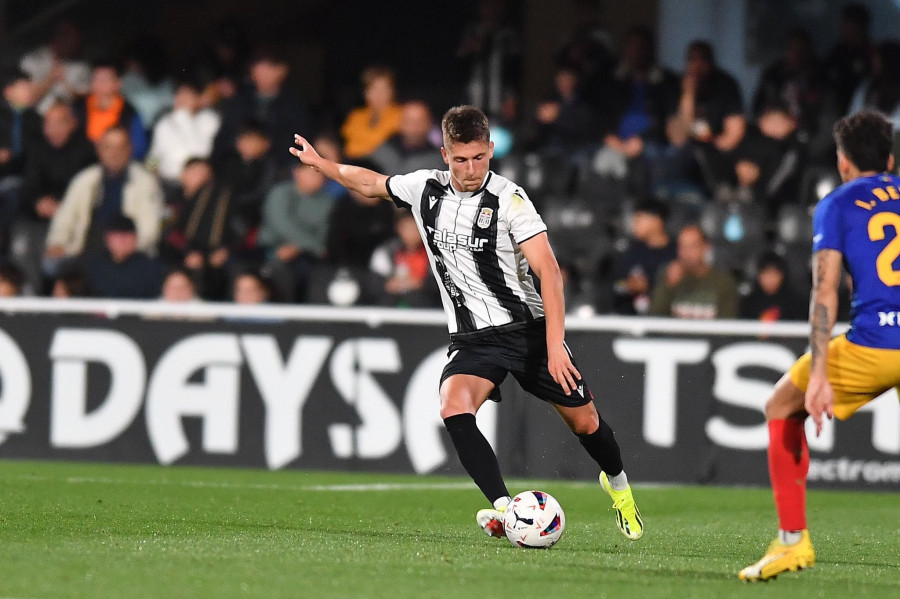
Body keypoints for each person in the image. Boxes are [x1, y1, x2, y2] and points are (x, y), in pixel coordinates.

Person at [290, 105, 643, 542]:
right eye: (461, 159)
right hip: (473, 338)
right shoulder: (424, 189)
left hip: (528, 330)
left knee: (586, 423)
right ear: (444, 154)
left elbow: (549, 272)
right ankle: (504, 510)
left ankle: (620, 489)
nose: (471, 168)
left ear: (491, 150)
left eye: (479, 158)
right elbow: (370, 182)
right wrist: (322, 164)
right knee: (453, 406)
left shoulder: (511, 200)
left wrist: (555, 345)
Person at [739, 111, 900, 580]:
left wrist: (822, 375)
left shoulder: (837, 203)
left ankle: (792, 543)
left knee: (781, 406)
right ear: (890, 158)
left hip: (872, 346)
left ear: (843, 161)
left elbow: (825, 290)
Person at [44, 126, 162, 272]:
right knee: (50, 265)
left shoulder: (145, 182)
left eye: (120, 147)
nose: (114, 153)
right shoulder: (84, 180)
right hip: (85, 251)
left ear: (129, 149)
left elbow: (150, 229)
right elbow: (64, 218)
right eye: (108, 147)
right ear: (99, 150)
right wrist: (58, 243)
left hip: (130, 253)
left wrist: (126, 248)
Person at [649, 224, 738, 319]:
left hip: (708, 333)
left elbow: (728, 324)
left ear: (705, 247)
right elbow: (655, 318)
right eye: (682, 247)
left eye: (693, 246)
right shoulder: (668, 275)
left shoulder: (723, 282)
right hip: (674, 334)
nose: (686, 252)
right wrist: (668, 286)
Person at [147, 79, 221, 185]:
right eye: (179, 94)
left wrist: (183, 117)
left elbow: (200, 153)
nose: (182, 99)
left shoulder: (209, 120)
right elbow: (154, 155)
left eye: (187, 95)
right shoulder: (164, 123)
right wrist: (149, 176)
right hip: (168, 183)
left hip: (198, 183)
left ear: (198, 99)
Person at [609, 199, 676, 315]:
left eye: (639, 218)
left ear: (656, 220)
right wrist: (629, 285)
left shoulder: (676, 252)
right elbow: (616, 284)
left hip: (667, 318)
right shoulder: (631, 251)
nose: (634, 224)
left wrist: (650, 285)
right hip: (631, 318)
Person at [72, 60, 148, 159]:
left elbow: (139, 149)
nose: (100, 84)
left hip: (118, 163)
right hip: (84, 162)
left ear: (117, 83)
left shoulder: (129, 112)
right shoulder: (78, 107)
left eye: (105, 80)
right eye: (96, 79)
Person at [84, 214, 163, 299]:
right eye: (117, 236)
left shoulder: (151, 268)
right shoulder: (95, 267)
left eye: (126, 236)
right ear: (107, 239)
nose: (122, 241)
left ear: (135, 238)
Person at [340, 66, 402, 160]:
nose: (379, 94)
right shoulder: (356, 116)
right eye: (374, 89)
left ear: (392, 91)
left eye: (384, 89)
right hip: (352, 164)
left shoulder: (402, 115)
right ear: (366, 92)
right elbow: (348, 145)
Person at [740, 251, 806, 322]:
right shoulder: (749, 303)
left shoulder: (795, 303)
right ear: (759, 276)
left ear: (782, 276)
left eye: (774, 274)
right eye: (767, 274)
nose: (770, 279)